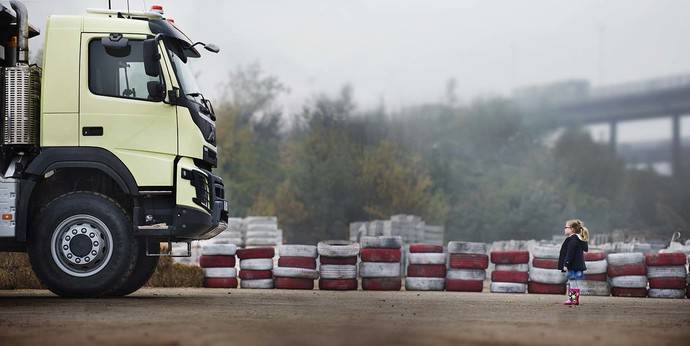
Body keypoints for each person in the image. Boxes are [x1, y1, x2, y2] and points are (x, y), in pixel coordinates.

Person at [557, 219, 589, 306]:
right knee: (573, 282)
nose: (564, 229)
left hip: (573, 265)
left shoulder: (573, 240)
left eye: (566, 227)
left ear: (572, 229)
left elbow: (570, 254)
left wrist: (566, 264)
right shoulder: (577, 239)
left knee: (572, 282)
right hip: (576, 265)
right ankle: (573, 299)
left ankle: (573, 300)